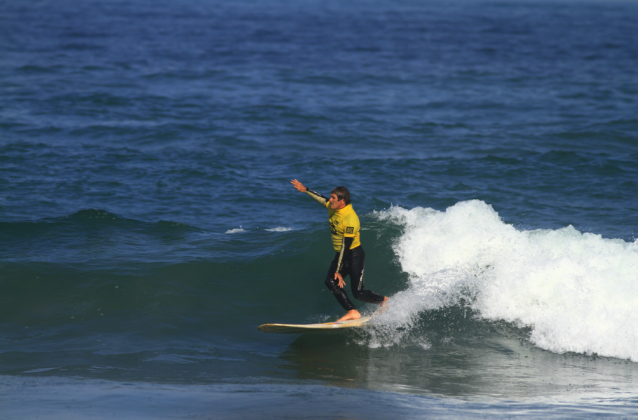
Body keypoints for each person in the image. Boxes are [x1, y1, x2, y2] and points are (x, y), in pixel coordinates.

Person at [291, 179, 388, 322]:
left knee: (359, 293)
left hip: (354, 255)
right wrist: (305, 190)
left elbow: (346, 246)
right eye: (331, 197)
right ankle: (353, 311)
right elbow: (322, 199)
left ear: (342, 201)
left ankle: (384, 300)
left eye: (333, 198)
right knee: (330, 281)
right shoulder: (333, 206)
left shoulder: (350, 219)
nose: (330, 201)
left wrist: (338, 270)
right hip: (341, 254)